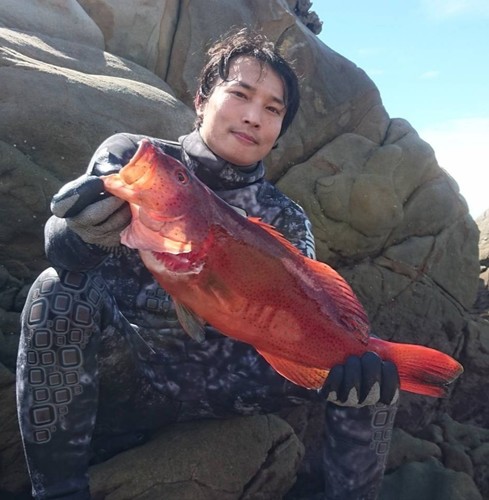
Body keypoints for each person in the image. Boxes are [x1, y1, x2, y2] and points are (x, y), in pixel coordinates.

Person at [17, 28, 400, 500]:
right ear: (201, 99)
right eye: (240, 94)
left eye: (273, 109)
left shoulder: (285, 217)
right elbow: (66, 253)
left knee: (374, 372)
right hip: (130, 373)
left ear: (280, 130)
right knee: (55, 290)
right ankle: (57, 491)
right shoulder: (138, 158)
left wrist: (347, 365)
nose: (253, 116)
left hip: (231, 387)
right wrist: (76, 231)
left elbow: (300, 316)